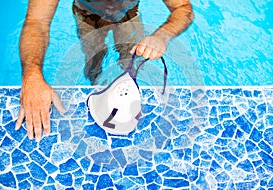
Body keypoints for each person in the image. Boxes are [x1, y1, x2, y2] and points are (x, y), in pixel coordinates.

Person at [15, 0, 194, 141]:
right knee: (94, 63)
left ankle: (125, 89)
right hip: (88, 18)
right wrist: (32, 75)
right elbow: (37, 21)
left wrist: (161, 36)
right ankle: (97, 85)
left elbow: (183, 7)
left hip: (128, 16)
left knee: (131, 63)